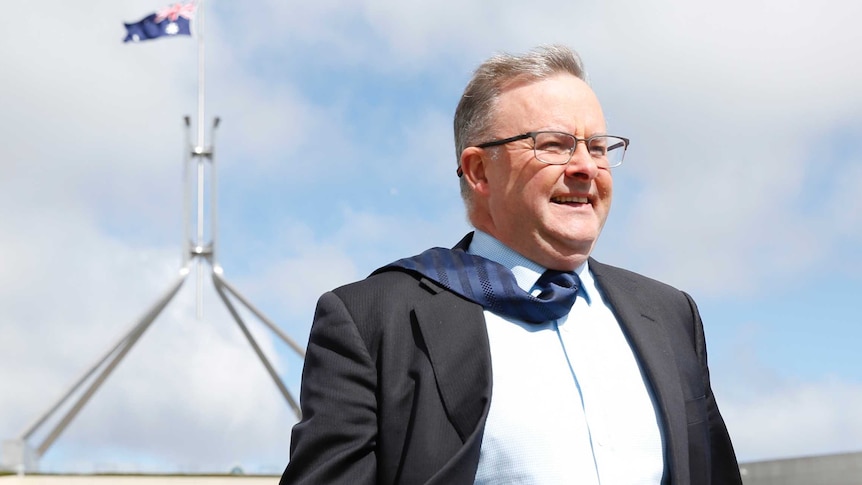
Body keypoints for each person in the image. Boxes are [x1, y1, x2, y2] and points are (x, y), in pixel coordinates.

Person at [280, 45, 741, 484]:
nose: (586, 167)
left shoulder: (669, 315)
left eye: (598, 147)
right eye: (554, 145)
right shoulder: (374, 321)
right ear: (480, 171)